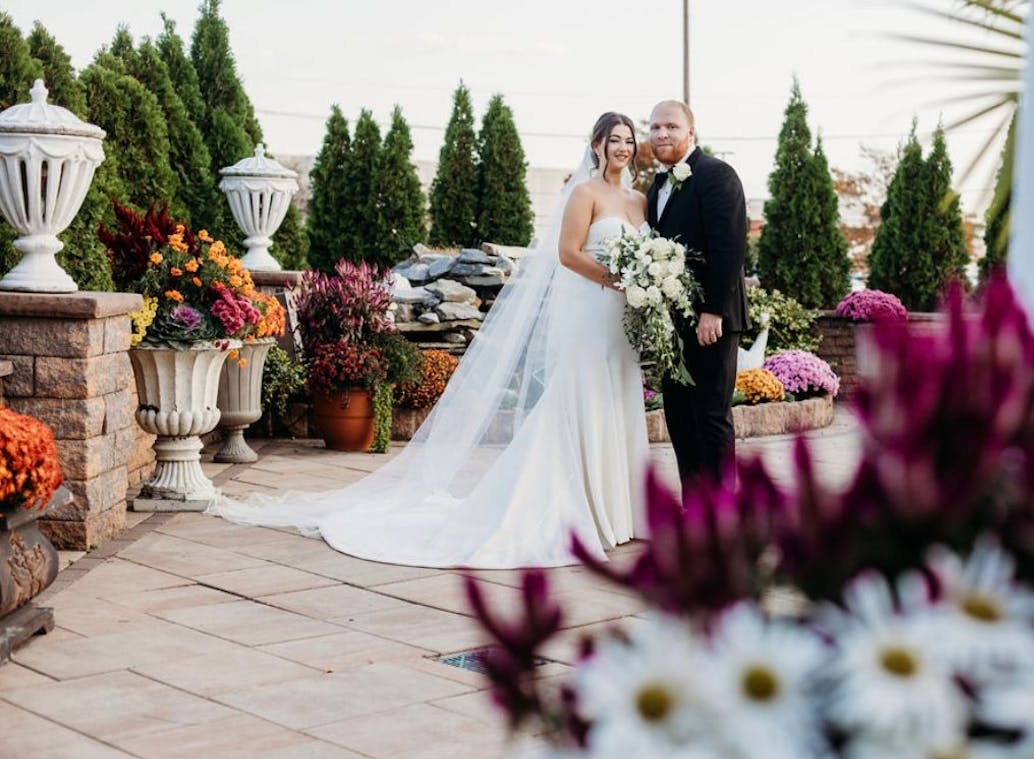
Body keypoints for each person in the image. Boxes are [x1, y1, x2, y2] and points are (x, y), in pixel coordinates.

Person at [209, 112, 650, 569]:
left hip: (622, 320)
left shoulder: (639, 199)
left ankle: (619, 513)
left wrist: (644, 282)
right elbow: (568, 254)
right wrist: (616, 279)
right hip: (592, 312)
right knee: (582, 399)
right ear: (596, 145)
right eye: (613, 139)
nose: (621, 147)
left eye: (627, 140)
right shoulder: (583, 193)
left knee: (616, 398)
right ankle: (576, 510)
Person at [646, 100, 750, 494]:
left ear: (692, 132)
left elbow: (730, 247)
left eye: (671, 126)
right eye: (655, 127)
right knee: (679, 418)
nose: (662, 134)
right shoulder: (656, 186)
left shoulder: (716, 175)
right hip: (672, 324)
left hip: (713, 321)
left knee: (710, 417)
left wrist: (713, 310)